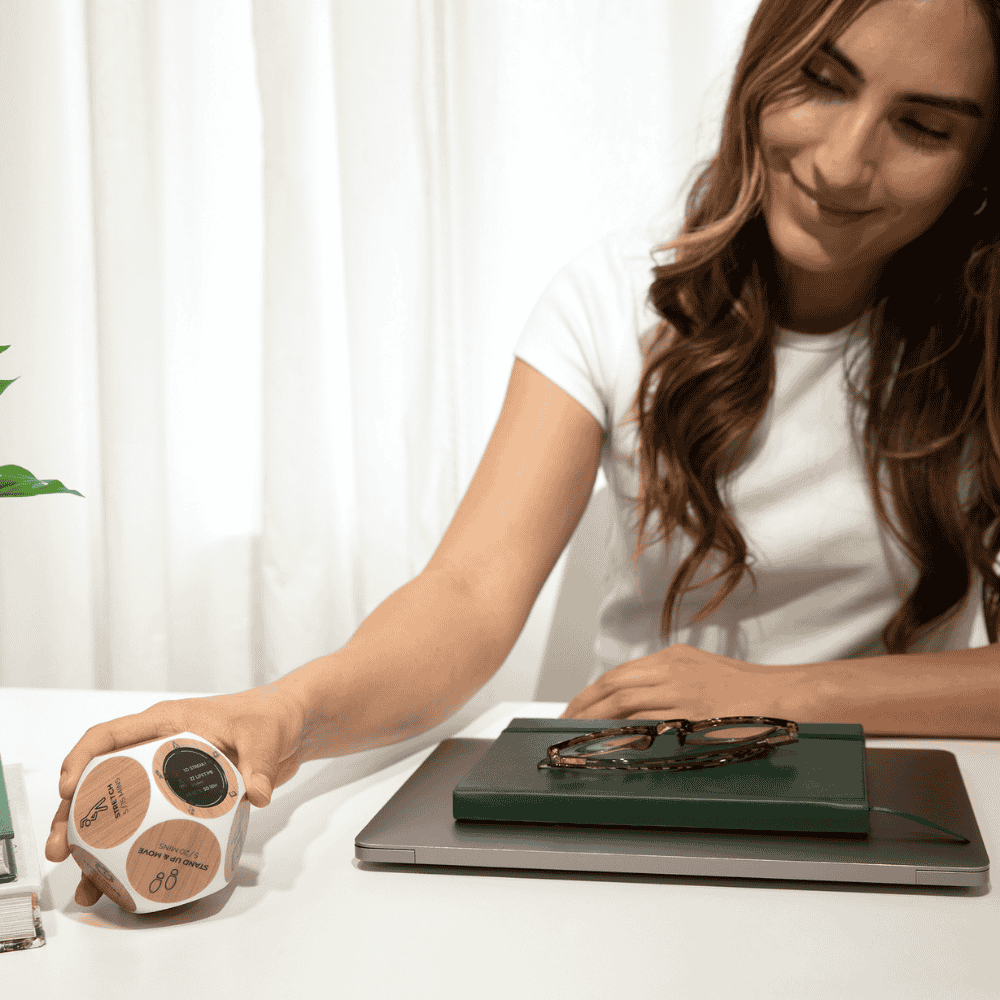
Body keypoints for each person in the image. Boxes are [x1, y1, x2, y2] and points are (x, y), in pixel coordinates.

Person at [47, 0, 1000, 907]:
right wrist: (284, 713)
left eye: (923, 127)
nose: (843, 161)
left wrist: (782, 700)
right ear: (763, 68)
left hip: (896, 807)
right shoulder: (614, 299)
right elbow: (466, 596)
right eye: (822, 82)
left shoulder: (984, 340)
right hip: (633, 801)